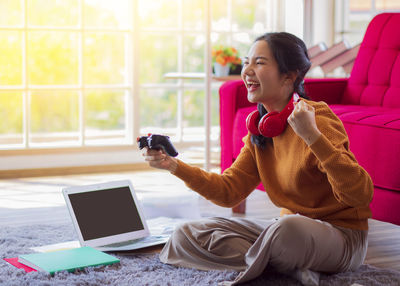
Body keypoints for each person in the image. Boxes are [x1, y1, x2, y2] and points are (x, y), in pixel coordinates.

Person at [142, 32, 373, 286]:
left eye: (259, 63)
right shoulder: (261, 130)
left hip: (340, 237)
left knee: (287, 230)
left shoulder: (318, 119)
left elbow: (360, 194)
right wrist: (173, 165)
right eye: (246, 62)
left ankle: (275, 266)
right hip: (283, 235)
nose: (247, 71)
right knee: (185, 235)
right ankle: (288, 271)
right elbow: (228, 192)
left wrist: (312, 137)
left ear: (289, 75)